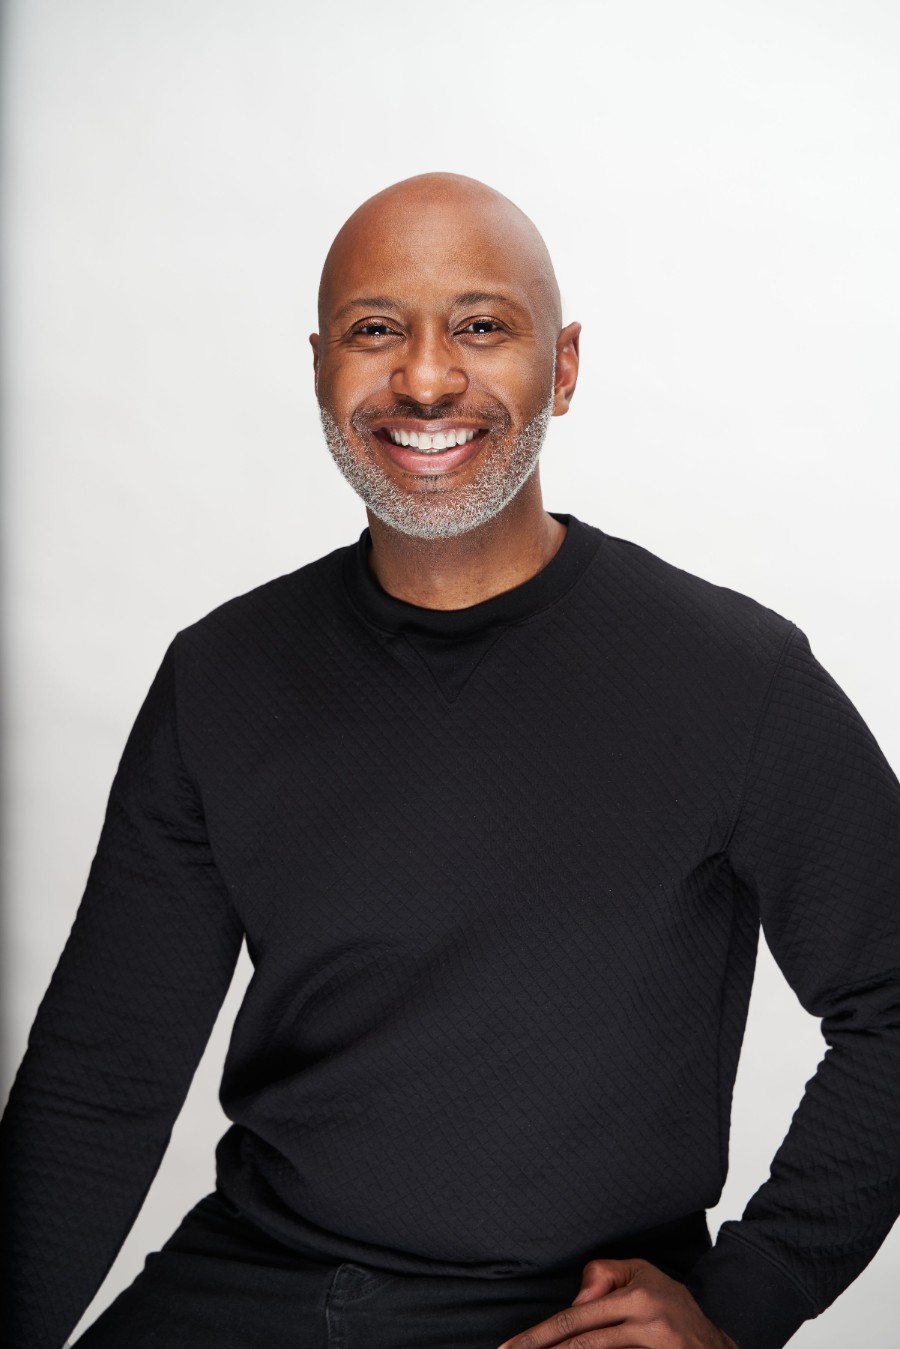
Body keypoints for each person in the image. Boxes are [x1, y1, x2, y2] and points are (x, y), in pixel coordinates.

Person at [1, 172, 898, 1349]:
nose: (425, 379)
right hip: (250, 1284)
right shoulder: (220, 673)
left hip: (554, 1315)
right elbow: (104, 1072)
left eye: (480, 326)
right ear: (320, 367)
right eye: (377, 330)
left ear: (563, 368)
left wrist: (746, 1300)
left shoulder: (736, 677)